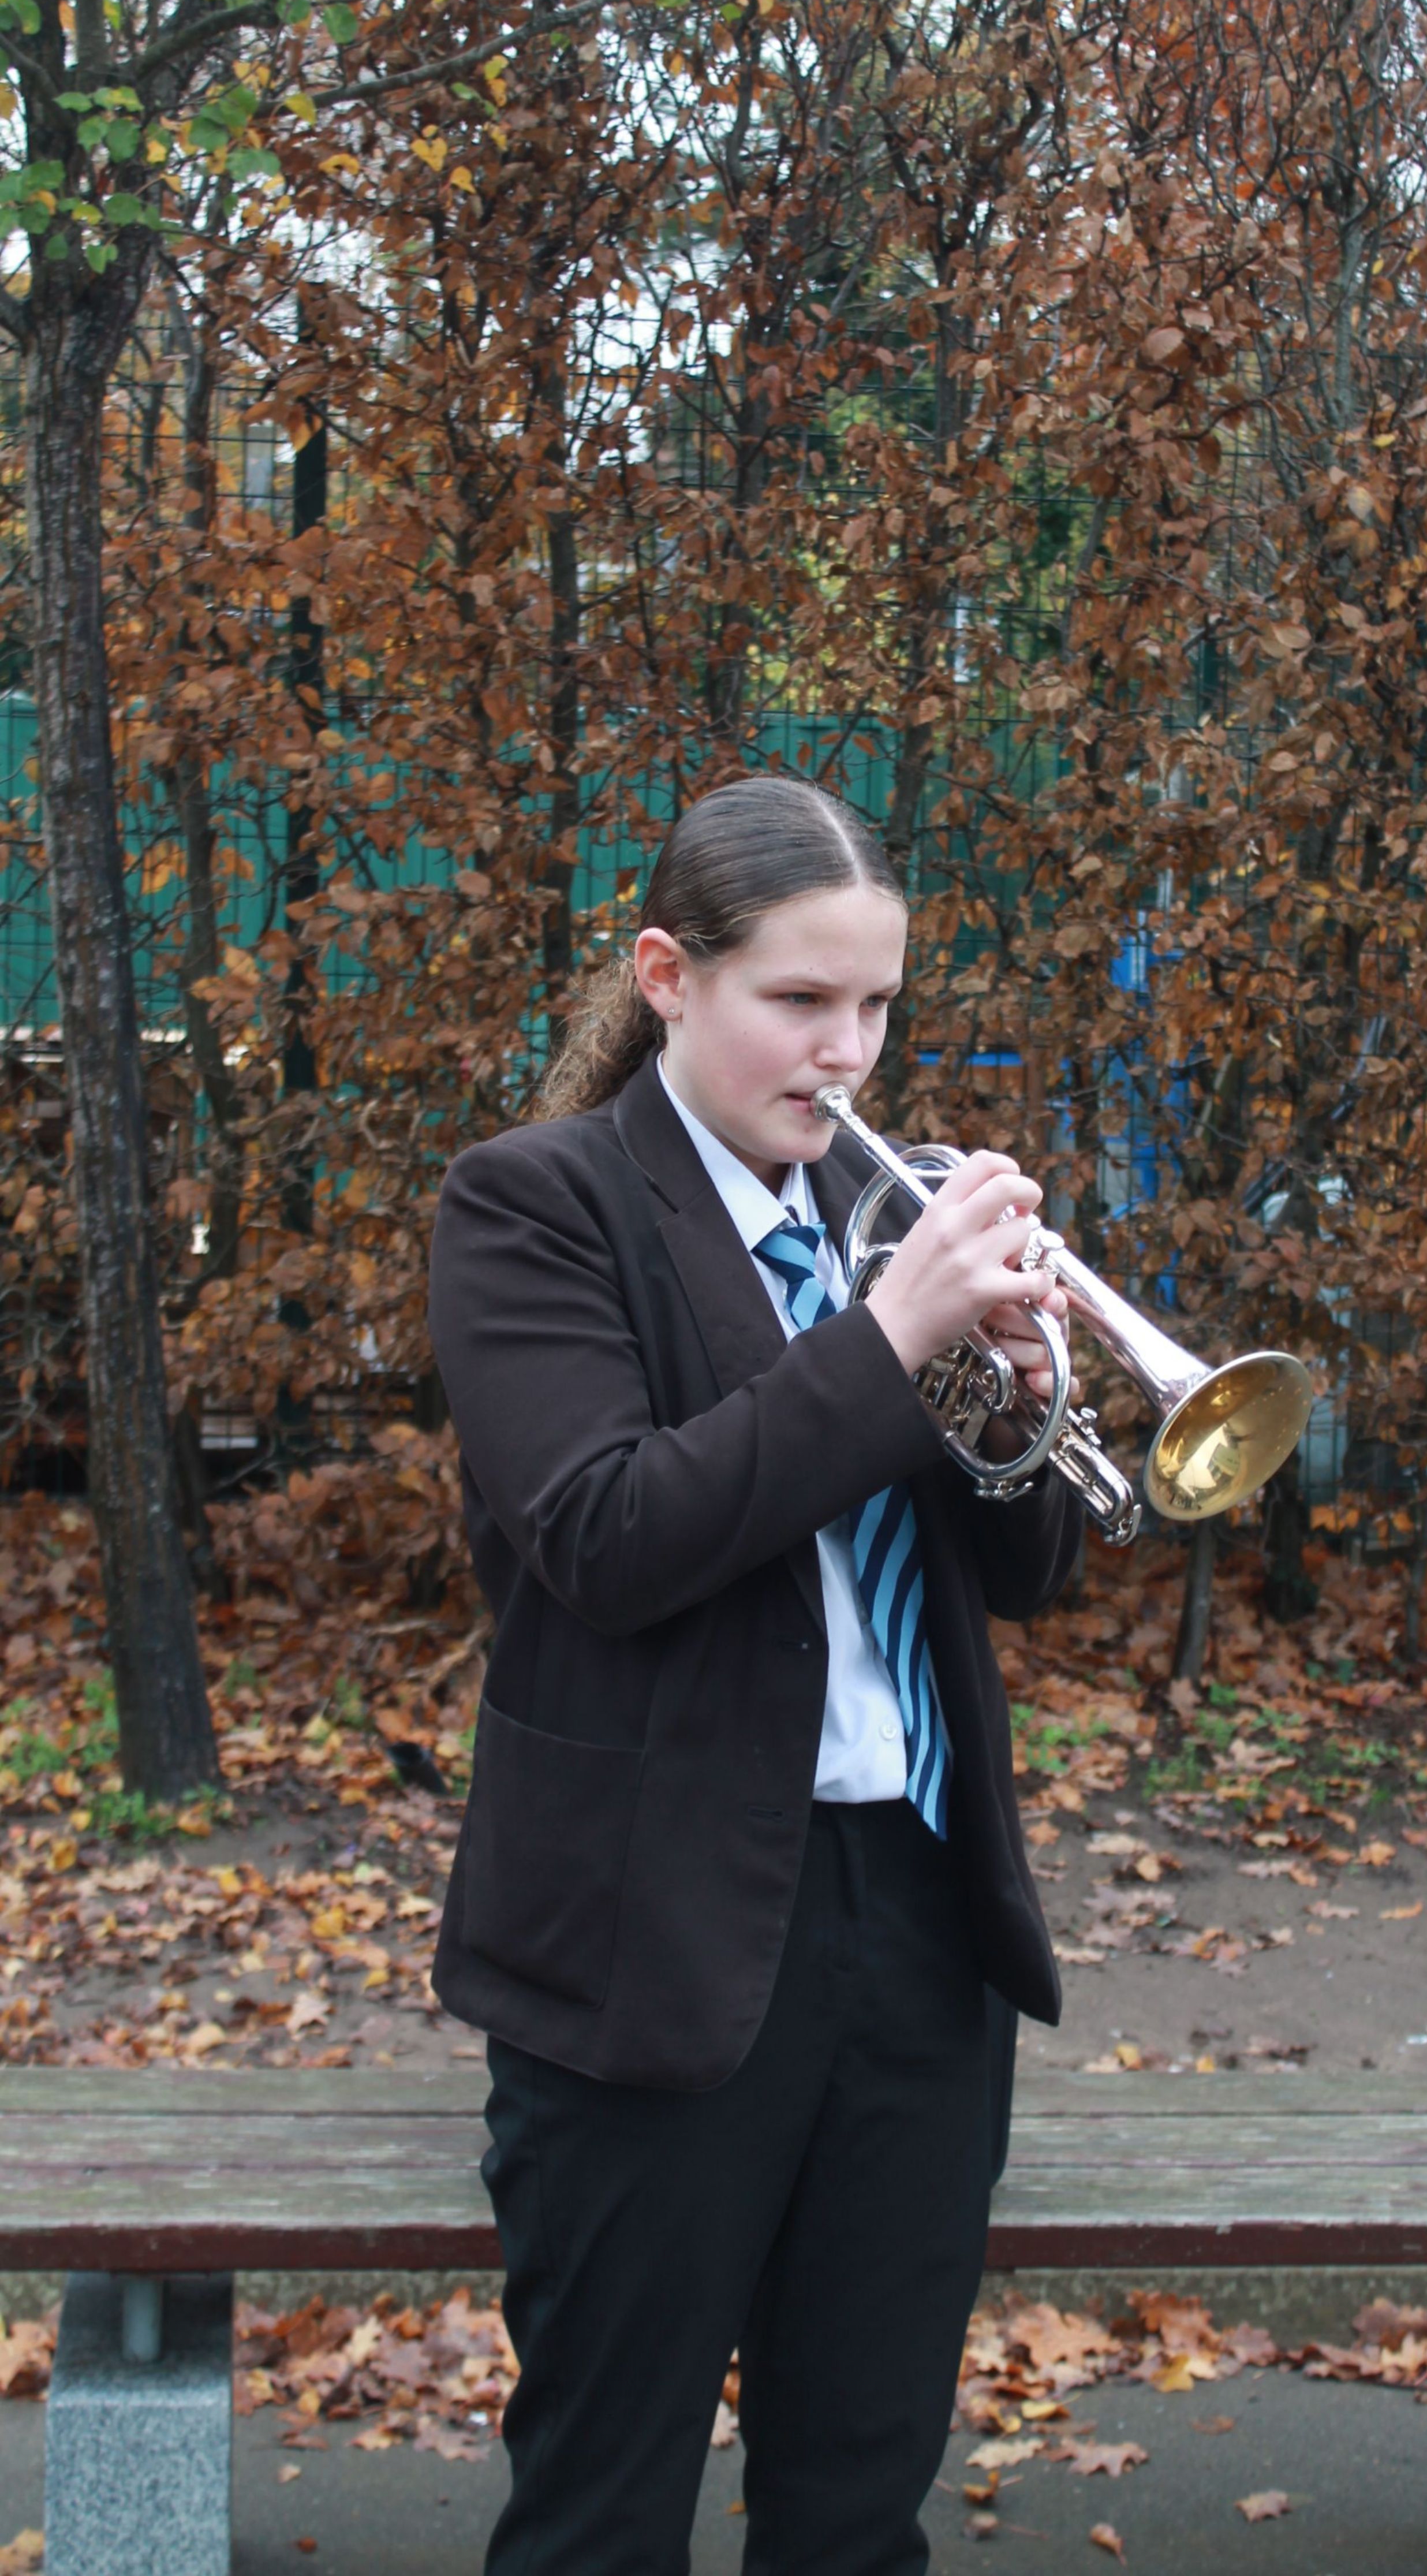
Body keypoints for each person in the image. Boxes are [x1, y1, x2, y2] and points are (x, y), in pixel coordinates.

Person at [427, 772, 1078, 2575]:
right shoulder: (536, 1208)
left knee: (856, 2512)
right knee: (602, 2513)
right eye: (802, 1000)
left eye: (875, 1005)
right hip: (656, 1932)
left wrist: (1017, 1416)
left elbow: (1016, 1580)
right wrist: (895, 1343)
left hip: (918, 1925)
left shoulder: (888, 1226)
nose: (847, 1051)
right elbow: (610, 1531)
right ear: (668, 975)